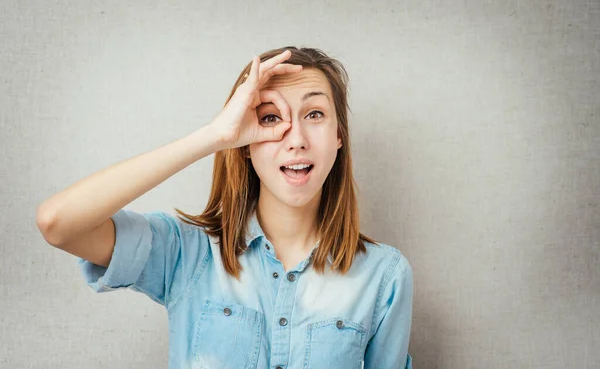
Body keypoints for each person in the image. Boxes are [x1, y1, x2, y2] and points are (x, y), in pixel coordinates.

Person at [36, 47, 414, 368]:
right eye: (270, 118)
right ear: (246, 142)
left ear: (338, 137)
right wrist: (216, 136)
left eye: (314, 115)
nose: (295, 139)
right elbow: (58, 223)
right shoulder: (186, 253)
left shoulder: (385, 275)